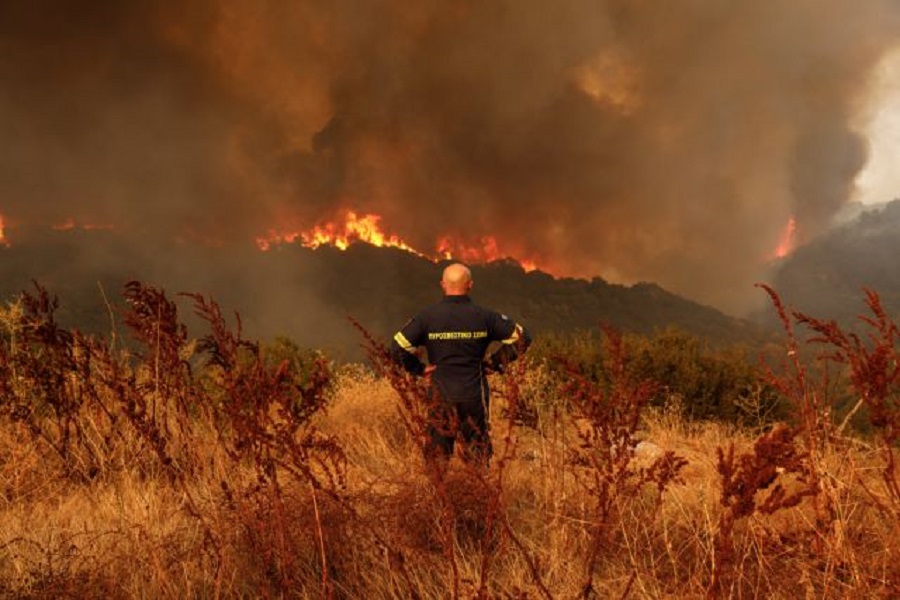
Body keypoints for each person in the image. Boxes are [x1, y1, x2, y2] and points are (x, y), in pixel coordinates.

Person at [390, 262, 531, 466]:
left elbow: (397, 348)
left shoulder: (427, 317)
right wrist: (494, 363)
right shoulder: (486, 316)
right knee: (478, 457)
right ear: (470, 285)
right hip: (474, 396)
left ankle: (439, 496)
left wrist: (419, 369)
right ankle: (477, 495)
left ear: (442, 284)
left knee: (437, 459)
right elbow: (523, 338)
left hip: (441, 395)